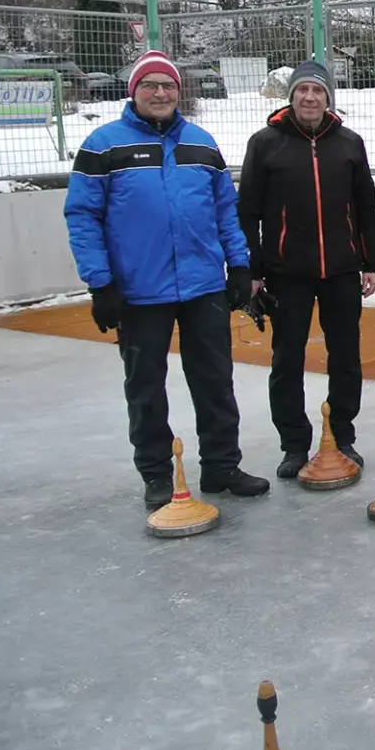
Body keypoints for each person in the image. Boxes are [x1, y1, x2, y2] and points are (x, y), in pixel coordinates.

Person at [64, 49, 269, 508]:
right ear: (133, 91)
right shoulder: (103, 146)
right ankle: (156, 473)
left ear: (180, 92)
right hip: (139, 291)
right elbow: (82, 217)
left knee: (215, 380)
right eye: (150, 85)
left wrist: (239, 266)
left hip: (202, 287)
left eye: (168, 86)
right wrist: (101, 284)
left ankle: (221, 465)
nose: (160, 93)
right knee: (145, 385)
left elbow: (224, 212)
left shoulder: (201, 143)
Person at [237, 61, 375, 478]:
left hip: (340, 269)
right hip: (287, 271)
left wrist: (371, 261)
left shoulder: (349, 143)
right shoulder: (265, 144)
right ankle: (295, 444)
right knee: (287, 358)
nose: (310, 98)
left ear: (328, 98)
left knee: (346, 356)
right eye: (302, 91)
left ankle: (342, 435)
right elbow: (248, 211)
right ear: (291, 97)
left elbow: (365, 208)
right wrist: (253, 269)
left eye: (318, 91)